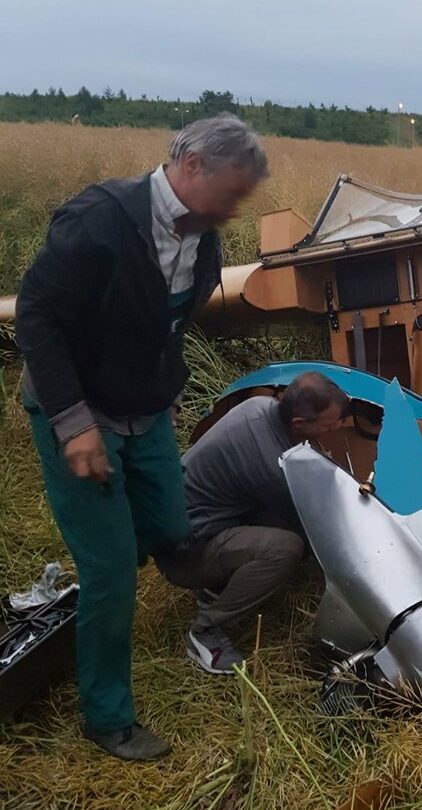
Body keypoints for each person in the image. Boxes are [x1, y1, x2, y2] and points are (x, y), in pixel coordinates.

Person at [15, 114, 268, 760]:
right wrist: (74, 425)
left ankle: (114, 572)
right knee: (110, 571)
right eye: (232, 194)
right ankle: (106, 717)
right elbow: (36, 316)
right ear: (190, 167)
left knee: (171, 528)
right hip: (76, 409)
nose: (235, 210)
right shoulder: (98, 221)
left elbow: (165, 325)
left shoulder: (204, 242)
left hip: (145, 412)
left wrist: (164, 386)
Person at [156, 372, 349, 674]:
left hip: (189, 524)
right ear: (300, 424)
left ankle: (219, 585)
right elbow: (316, 527)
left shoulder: (260, 406)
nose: (338, 426)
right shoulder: (271, 466)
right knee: (286, 548)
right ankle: (206, 632)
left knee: (276, 524)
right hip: (185, 552)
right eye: (331, 423)